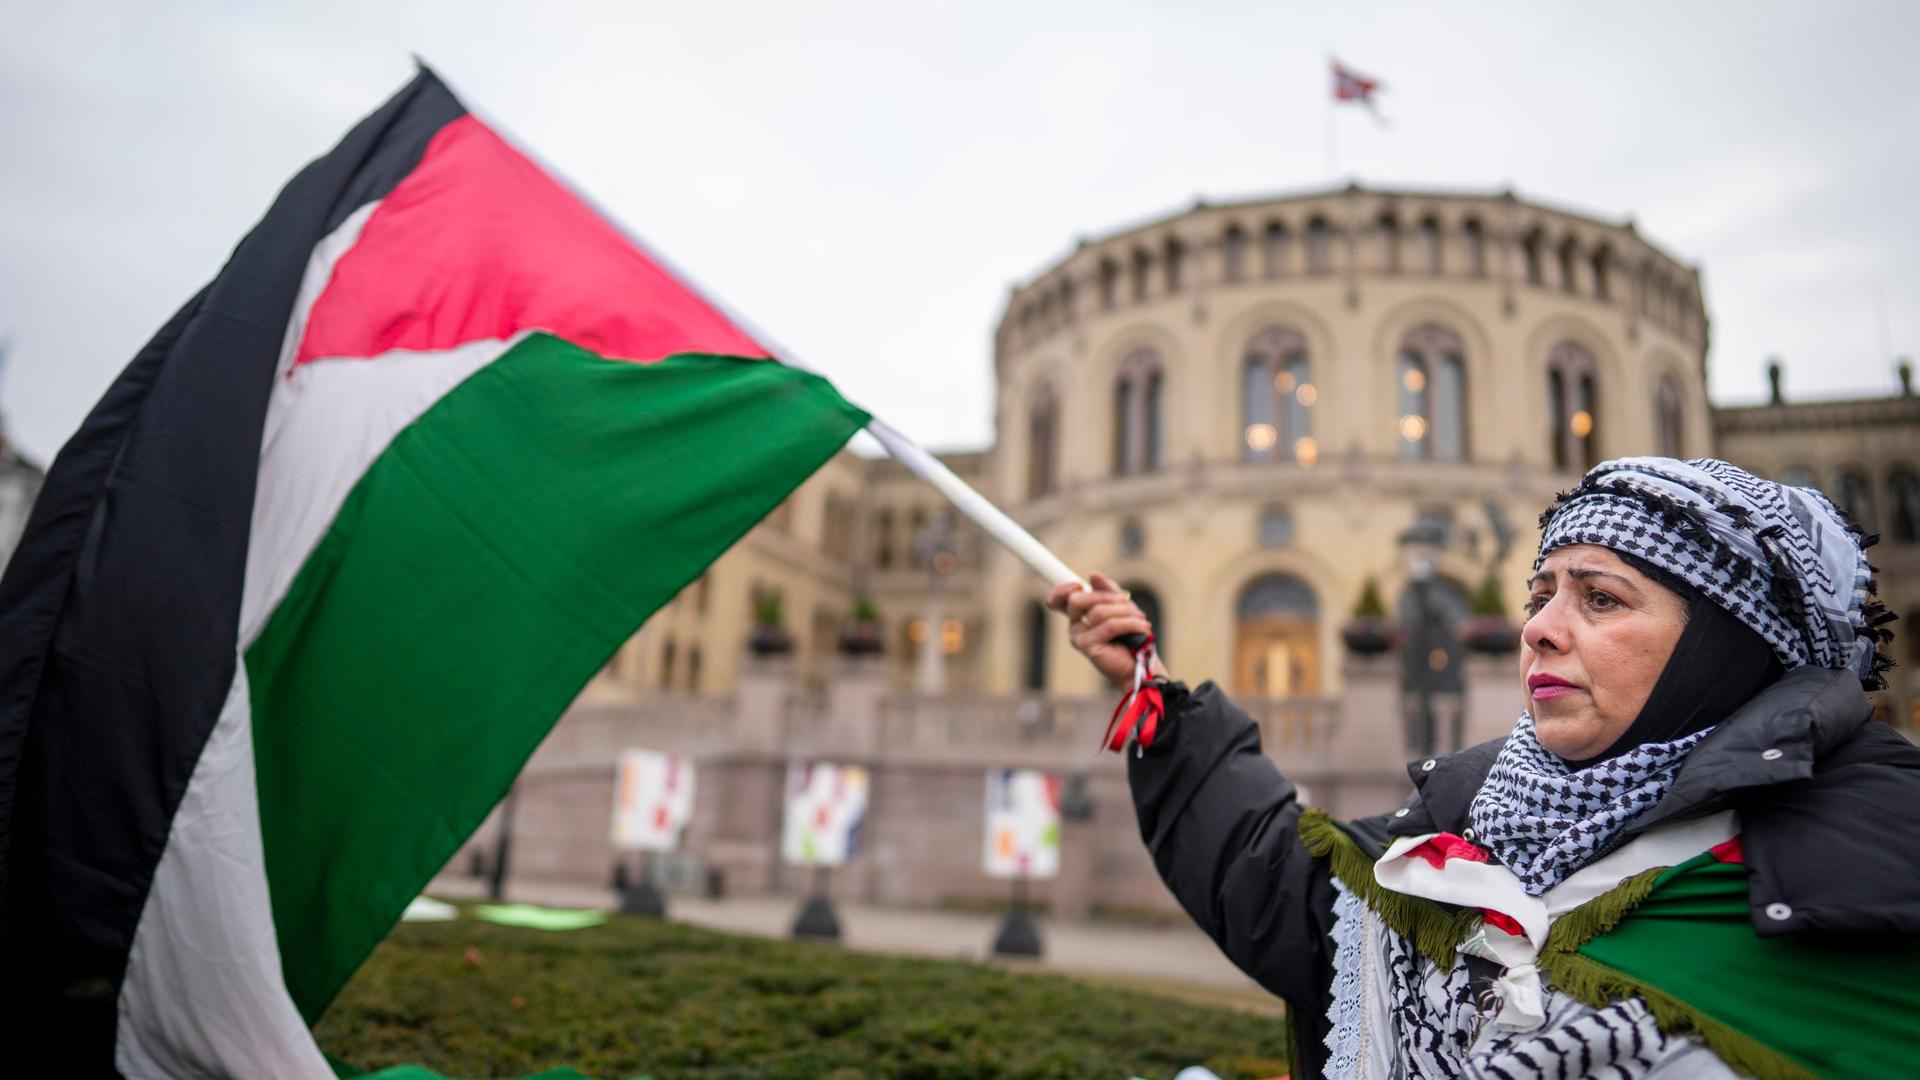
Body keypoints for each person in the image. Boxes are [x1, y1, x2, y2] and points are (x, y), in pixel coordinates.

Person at [1050, 458, 1920, 1079]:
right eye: (1540, 595)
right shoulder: (1477, 810)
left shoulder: (1873, 862)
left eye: (1601, 597)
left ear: (1730, 646)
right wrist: (1150, 689)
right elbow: (1281, 887)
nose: (1538, 628)